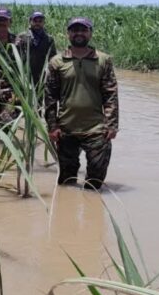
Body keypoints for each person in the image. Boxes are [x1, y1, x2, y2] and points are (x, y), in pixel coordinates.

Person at [45, 17, 119, 190]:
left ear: (90, 33)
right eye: (74, 30)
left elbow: (111, 94)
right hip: (66, 128)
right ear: (68, 33)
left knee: (95, 180)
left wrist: (112, 125)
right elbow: (50, 97)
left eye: (83, 30)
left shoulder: (103, 60)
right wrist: (52, 126)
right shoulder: (57, 62)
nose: (79, 33)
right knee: (67, 179)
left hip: (96, 129)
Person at [17, 10, 56, 88]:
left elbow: (52, 58)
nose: (37, 23)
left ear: (43, 22)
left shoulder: (49, 39)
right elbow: (17, 56)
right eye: (35, 21)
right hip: (25, 75)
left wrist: (50, 73)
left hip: (41, 75)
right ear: (30, 21)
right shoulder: (22, 37)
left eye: (40, 21)